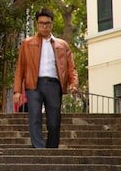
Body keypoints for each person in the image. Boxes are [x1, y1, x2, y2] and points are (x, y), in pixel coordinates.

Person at [13, 8, 78, 148]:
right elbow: (20, 67)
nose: (44, 26)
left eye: (47, 23)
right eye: (41, 23)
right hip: (33, 85)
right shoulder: (27, 43)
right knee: (34, 117)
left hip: (54, 85)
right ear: (37, 24)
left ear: (52, 24)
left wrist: (73, 83)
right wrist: (17, 91)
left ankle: (52, 148)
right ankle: (39, 148)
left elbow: (71, 67)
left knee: (54, 120)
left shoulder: (62, 45)